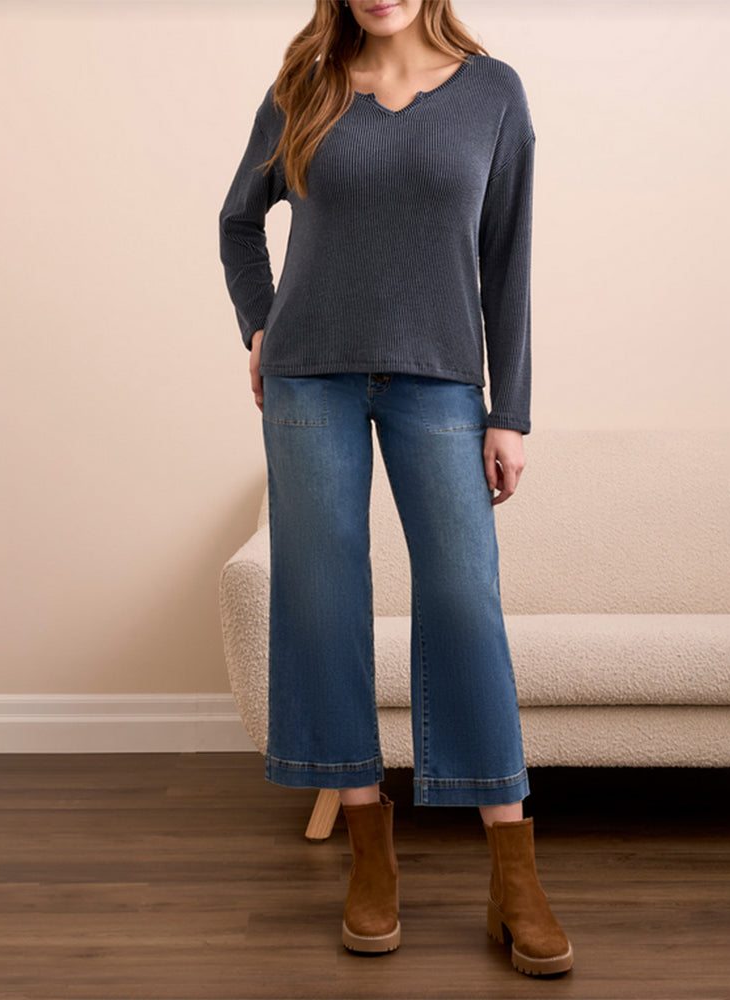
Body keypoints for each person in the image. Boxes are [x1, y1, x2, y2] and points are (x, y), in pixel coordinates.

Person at [219, 0, 572, 977]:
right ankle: (368, 850)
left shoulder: (494, 95)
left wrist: (512, 412)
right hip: (309, 377)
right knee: (324, 599)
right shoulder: (307, 88)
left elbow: (508, 257)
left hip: (440, 380)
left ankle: (514, 868)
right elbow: (238, 222)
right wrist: (261, 325)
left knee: (464, 599)